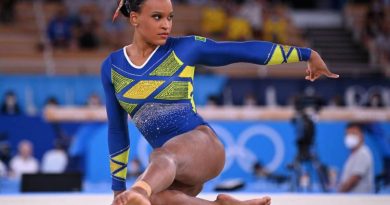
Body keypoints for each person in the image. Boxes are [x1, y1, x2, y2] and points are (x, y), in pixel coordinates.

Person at [102, 0, 339, 205]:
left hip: (204, 148)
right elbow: (117, 130)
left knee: (155, 169)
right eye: (157, 17)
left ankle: (140, 190)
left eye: (170, 17)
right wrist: (118, 190)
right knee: (157, 200)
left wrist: (306, 54)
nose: (166, 25)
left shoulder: (185, 49)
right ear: (134, 18)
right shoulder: (112, 68)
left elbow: (243, 51)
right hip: (172, 170)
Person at [339, 122, 374, 193]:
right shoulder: (353, 155)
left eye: (353, 134)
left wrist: (339, 193)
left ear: (362, 135)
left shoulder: (363, 153)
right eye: (347, 134)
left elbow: (354, 179)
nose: (350, 137)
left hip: (360, 200)